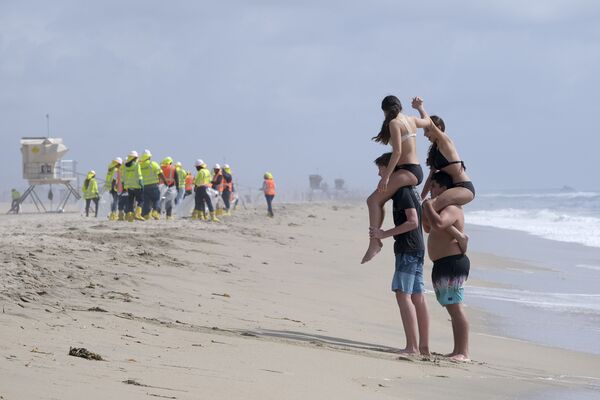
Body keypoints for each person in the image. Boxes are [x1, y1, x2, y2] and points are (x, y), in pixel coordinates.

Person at [370, 153, 429, 355]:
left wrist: (383, 234)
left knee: (403, 295)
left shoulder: (402, 191)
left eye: (381, 169)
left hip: (408, 249)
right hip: (418, 248)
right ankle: (423, 347)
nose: (379, 174)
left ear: (392, 169)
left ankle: (412, 347)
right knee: (417, 296)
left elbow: (412, 221)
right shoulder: (411, 190)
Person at [362, 96, 431, 264]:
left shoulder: (394, 123)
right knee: (378, 200)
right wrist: (420, 107)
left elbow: (397, 152)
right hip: (415, 169)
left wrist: (386, 177)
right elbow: (428, 122)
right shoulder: (411, 119)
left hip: (407, 170)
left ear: (385, 111)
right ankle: (375, 240)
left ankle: (374, 242)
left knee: (372, 200)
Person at [422, 171, 470, 362]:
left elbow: (439, 223)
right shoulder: (440, 209)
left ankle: (464, 352)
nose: (431, 190)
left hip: (452, 262)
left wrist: (427, 205)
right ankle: (456, 349)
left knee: (456, 307)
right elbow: (428, 226)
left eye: (433, 186)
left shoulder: (451, 207)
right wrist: (427, 208)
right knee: (451, 307)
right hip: (442, 264)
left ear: (444, 189)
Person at [421, 114, 473, 252]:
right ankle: (459, 236)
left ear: (437, 128)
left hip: (463, 188)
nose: (425, 135)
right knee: (425, 215)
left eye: (427, 130)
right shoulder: (435, 152)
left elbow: (430, 124)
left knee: (429, 208)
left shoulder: (445, 142)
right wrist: (421, 197)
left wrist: (420, 108)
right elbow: (430, 177)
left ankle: (461, 239)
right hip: (452, 189)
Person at [139, 149, 166, 220]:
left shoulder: (140, 165)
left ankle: (146, 215)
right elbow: (160, 173)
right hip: (153, 185)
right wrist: (165, 182)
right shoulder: (153, 164)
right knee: (156, 199)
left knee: (146, 201)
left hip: (144, 186)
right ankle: (155, 212)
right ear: (149, 157)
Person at [122, 150, 144, 222]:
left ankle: (130, 217)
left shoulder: (124, 166)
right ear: (135, 158)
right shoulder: (137, 165)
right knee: (140, 201)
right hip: (137, 186)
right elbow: (139, 175)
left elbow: (123, 177)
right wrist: (142, 184)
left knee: (130, 201)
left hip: (129, 187)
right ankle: (137, 214)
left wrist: (124, 186)